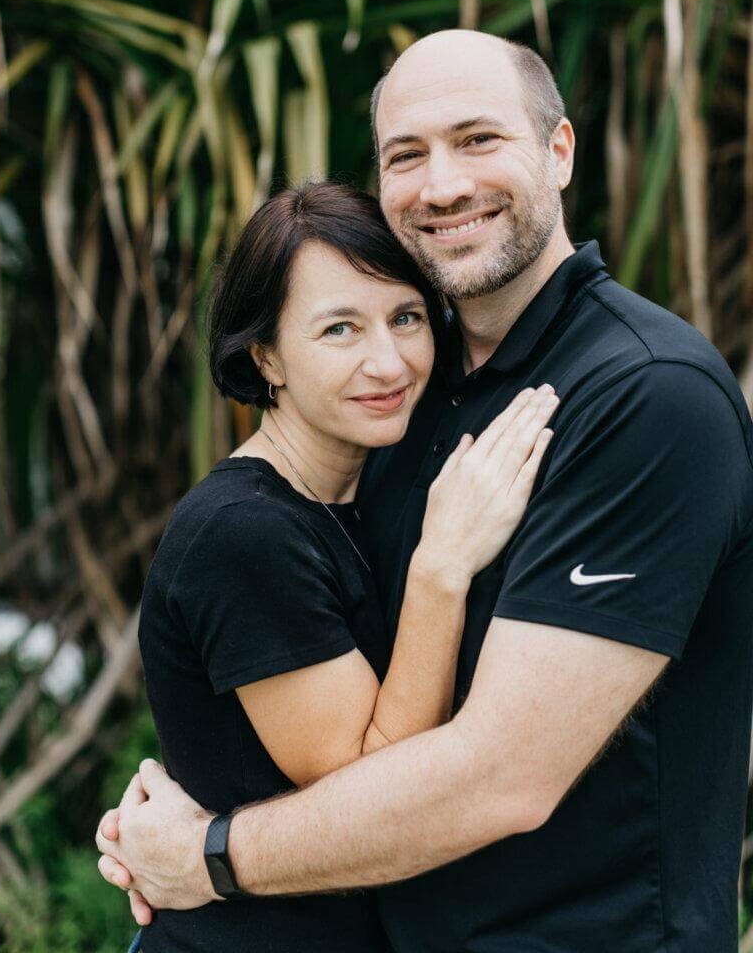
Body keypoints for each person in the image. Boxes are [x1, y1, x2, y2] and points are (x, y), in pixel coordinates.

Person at [97, 31, 753, 953]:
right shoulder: (412, 392)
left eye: (479, 139)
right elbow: (308, 651)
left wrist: (208, 853)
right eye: (406, 156)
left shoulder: (648, 396)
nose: (441, 185)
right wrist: (198, 781)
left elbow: (502, 779)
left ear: (559, 152)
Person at [127, 179, 557, 953]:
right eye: (339, 331)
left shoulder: (369, 490)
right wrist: (442, 569)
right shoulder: (243, 534)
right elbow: (365, 785)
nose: (387, 361)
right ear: (267, 357)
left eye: (406, 318)